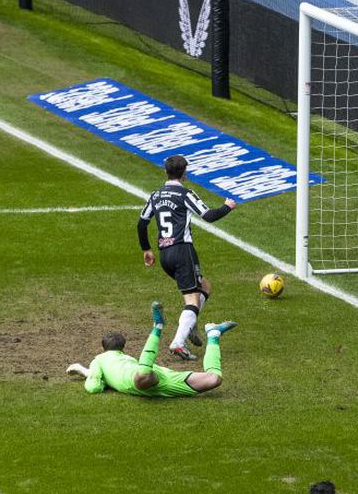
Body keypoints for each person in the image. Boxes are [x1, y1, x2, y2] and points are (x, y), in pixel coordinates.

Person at [138, 154, 238, 361]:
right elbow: (208, 216)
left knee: (205, 286)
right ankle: (178, 342)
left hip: (165, 255)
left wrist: (146, 249)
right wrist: (228, 206)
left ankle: (190, 325)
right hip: (182, 252)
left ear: (166, 172)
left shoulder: (155, 195)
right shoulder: (185, 194)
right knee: (191, 299)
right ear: (185, 173)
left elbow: (141, 223)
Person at [66, 302, 235, 397]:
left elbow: (94, 387)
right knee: (214, 379)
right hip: (162, 377)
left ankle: (158, 327)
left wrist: (85, 372)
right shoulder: (126, 358)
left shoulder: (99, 360)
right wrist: (83, 371)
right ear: (123, 348)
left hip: (142, 378)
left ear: (102, 348)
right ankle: (213, 334)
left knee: (142, 377)